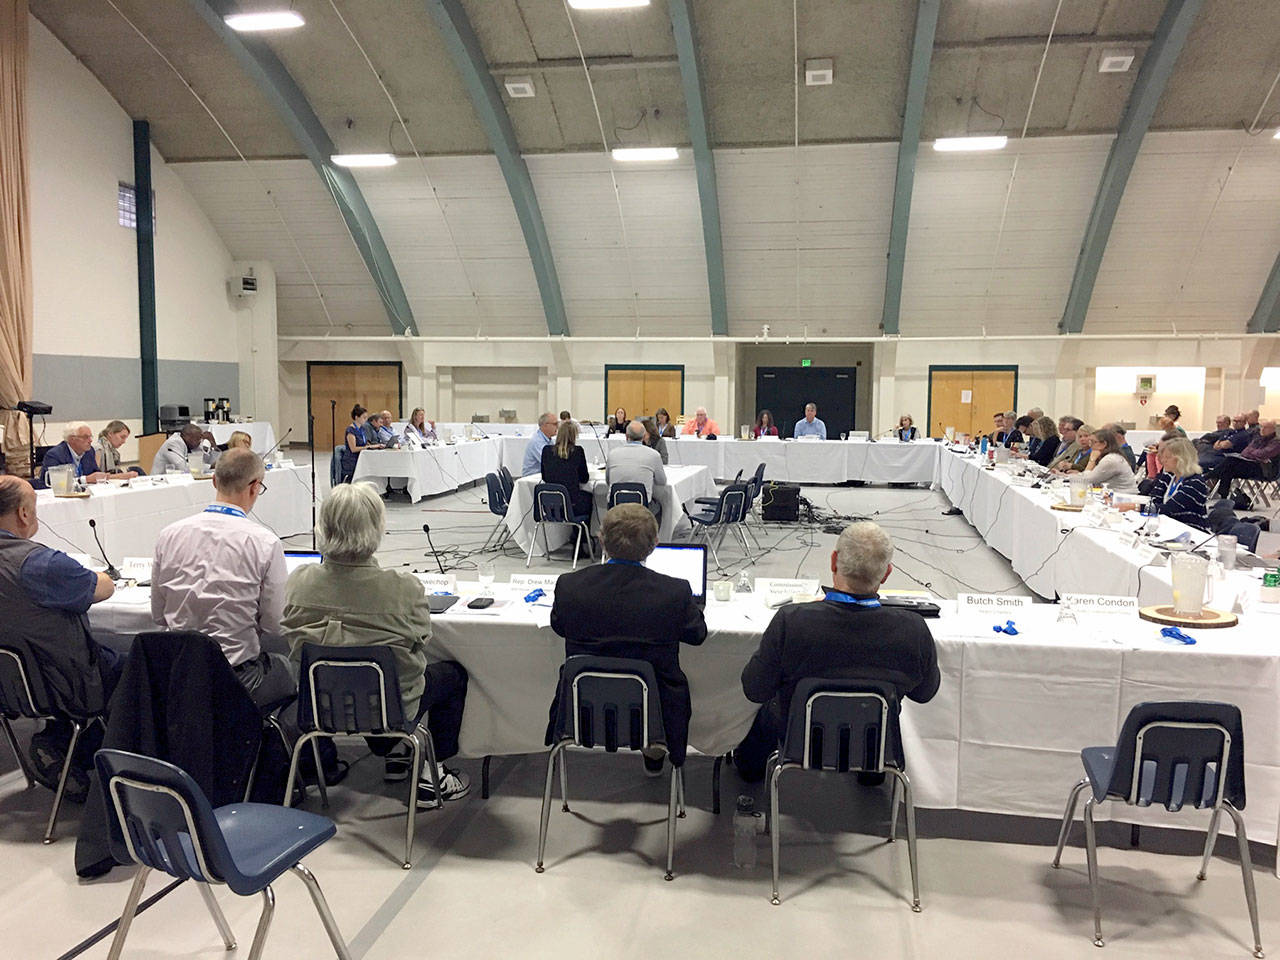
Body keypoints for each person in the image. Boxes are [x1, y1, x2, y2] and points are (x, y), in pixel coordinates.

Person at [282, 482, 470, 803]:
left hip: (319, 708)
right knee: (452, 676)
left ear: (323, 526)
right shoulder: (404, 588)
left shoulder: (299, 583)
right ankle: (433, 770)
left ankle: (396, 752)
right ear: (377, 528)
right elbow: (422, 638)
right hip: (390, 707)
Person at [733, 521, 940, 783]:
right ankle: (869, 770)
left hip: (799, 738)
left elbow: (754, 688)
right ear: (886, 573)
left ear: (833, 561)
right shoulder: (913, 628)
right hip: (876, 741)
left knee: (769, 707)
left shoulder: (792, 620)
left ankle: (750, 771)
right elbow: (925, 693)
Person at [549, 504, 706, 774]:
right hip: (657, 714)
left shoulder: (569, 585)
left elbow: (558, 626)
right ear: (654, 544)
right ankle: (654, 753)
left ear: (601, 540)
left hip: (582, 710)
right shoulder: (674, 592)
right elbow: (697, 635)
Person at [0, 475, 122, 800]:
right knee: (140, 665)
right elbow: (104, 587)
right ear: (24, 514)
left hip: (9, 687)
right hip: (63, 683)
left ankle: (60, 741)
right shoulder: (40, 564)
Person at [151, 449, 295, 709]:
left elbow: (159, 615)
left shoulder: (169, 535)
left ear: (214, 481)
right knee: (287, 666)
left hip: (179, 672)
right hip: (238, 676)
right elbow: (275, 624)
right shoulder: (264, 542)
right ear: (254, 487)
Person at [1117, 438, 1210, 530]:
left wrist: (1134, 506)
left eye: (1167, 457)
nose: (1163, 460)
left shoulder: (1195, 482)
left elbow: (1169, 509)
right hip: (1167, 525)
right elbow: (1154, 499)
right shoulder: (1169, 476)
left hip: (1190, 530)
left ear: (1182, 459)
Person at [606, 421, 667, 522]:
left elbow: (608, 481)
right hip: (642, 507)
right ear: (644, 436)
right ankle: (652, 535)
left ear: (626, 436)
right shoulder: (653, 455)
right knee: (659, 507)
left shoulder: (612, 454)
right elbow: (661, 481)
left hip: (616, 506)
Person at [1208, 419, 1280, 498]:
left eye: (1265, 428)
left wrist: (1253, 453)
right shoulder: (1258, 439)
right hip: (1254, 465)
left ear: (1273, 429)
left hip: (1265, 471)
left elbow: (1263, 454)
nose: (1262, 429)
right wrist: (1255, 454)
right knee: (1228, 468)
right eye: (1261, 427)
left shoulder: (1276, 442)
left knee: (1231, 461)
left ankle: (1208, 476)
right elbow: (1245, 452)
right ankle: (1223, 496)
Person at [540, 419, 592, 520]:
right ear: (574, 436)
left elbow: (545, 477)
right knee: (589, 498)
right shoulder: (577, 451)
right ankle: (581, 533)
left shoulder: (546, 451)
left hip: (550, 505)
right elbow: (584, 478)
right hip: (573, 505)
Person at [41, 422, 109, 485]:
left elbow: (95, 473)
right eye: (85, 437)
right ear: (72, 439)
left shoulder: (89, 452)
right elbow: (53, 482)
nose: (90, 440)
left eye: (90, 437)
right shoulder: (55, 455)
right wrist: (84, 480)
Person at [1074, 428, 1138, 493]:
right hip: (1116, 495)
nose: (1090, 445)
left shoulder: (1110, 460)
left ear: (1104, 444)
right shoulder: (1111, 456)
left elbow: (1087, 480)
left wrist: (1092, 460)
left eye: (1094, 442)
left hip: (1124, 497)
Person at [152, 423, 219, 476]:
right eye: (198, 439)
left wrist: (214, 446)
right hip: (160, 481)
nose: (200, 441)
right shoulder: (173, 443)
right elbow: (183, 467)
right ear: (188, 437)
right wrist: (210, 467)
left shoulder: (192, 445)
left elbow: (205, 461)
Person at [341, 404, 380, 484]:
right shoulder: (351, 430)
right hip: (351, 460)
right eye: (364, 418)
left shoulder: (362, 429)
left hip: (361, 457)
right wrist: (368, 447)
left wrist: (374, 446)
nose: (366, 420)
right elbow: (353, 449)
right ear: (356, 417)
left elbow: (364, 443)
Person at [522, 412, 558, 477]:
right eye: (555, 424)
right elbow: (549, 462)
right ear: (545, 425)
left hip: (541, 476)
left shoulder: (549, 440)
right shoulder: (537, 441)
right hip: (532, 479)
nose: (557, 427)